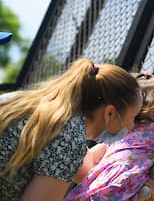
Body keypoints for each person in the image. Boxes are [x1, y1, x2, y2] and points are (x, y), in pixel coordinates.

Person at [0, 58, 144, 201]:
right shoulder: (70, 138)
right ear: (110, 113)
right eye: (132, 117)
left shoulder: (27, 103)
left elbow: (86, 169)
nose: (132, 127)